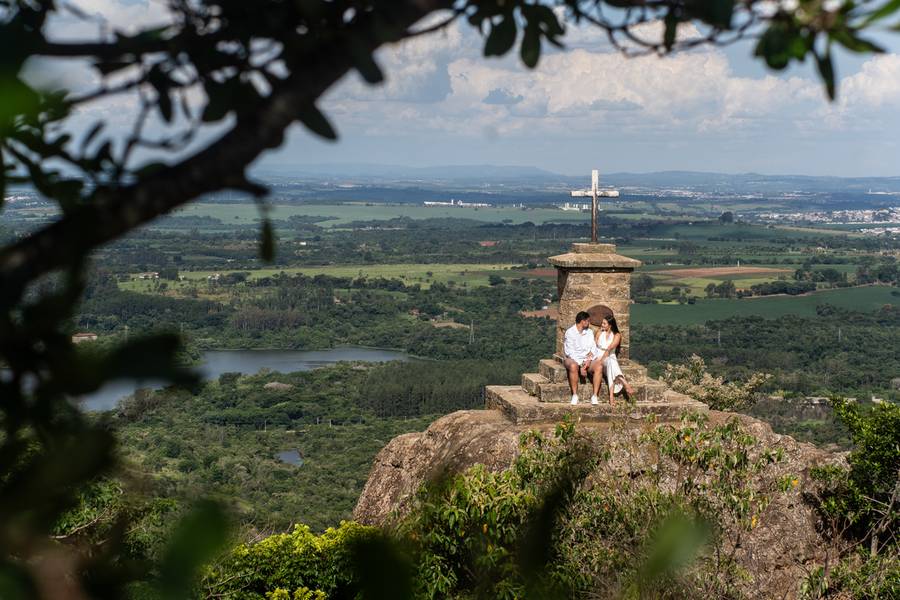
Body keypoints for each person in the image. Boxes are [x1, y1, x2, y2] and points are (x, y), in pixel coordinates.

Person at [563, 311, 603, 405]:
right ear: (583, 321)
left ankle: (594, 396)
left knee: (599, 366)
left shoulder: (589, 332)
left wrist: (589, 360)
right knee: (573, 366)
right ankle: (575, 395)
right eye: (588, 321)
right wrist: (581, 365)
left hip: (587, 359)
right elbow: (570, 352)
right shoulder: (570, 332)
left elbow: (593, 347)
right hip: (573, 359)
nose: (589, 323)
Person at [594, 315, 636, 406]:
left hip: (610, 356)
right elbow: (594, 345)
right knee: (611, 364)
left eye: (604, 323)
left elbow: (609, 349)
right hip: (599, 356)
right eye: (602, 323)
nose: (602, 325)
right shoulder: (599, 332)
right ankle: (626, 384)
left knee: (610, 363)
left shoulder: (617, 335)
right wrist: (598, 360)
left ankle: (611, 397)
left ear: (610, 325)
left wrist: (602, 359)